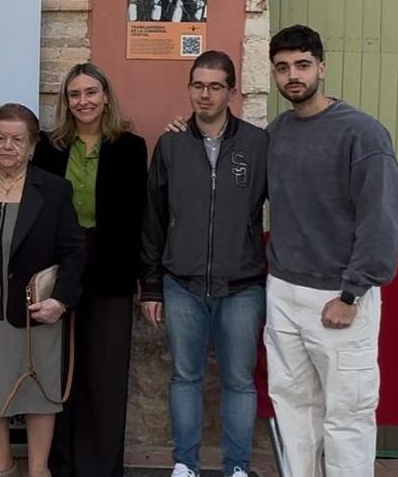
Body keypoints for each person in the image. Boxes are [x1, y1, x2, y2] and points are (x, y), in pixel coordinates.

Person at [264, 25, 398, 477]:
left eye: (302, 65)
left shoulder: (362, 134)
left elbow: (382, 219)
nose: (293, 76)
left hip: (340, 297)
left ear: (322, 68)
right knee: (293, 408)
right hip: (283, 292)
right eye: (283, 68)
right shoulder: (277, 132)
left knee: (348, 414)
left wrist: (351, 294)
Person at [140, 51, 269, 477]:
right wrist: (153, 285)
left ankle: (236, 466)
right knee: (184, 378)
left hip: (243, 286)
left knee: (238, 381)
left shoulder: (256, 143)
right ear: (189, 88)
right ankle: (185, 464)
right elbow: (153, 218)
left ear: (232, 91)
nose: (206, 94)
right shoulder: (172, 144)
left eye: (216, 86)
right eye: (198, 85)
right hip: (182, 284)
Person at [0, 103, 86, 477]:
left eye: (17, 139)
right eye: (0, 138)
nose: (8, 146)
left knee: (40, 392)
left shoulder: (54, 189)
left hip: (37, 311)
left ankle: (39, 469)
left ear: (32, 146)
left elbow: (75, 251)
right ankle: (2, 464)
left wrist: (60, 302)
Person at [38, 63, 146, 477]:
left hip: (111, 270)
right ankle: (61, 463)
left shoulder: (131, 147)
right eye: (74, 94)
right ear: (66, 101)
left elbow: (141, 216)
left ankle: (101, 468)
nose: (83, 101)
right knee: (60, 371)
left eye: (91, 92)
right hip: (59, 269)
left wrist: (142, 277)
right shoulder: (50, 147)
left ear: (106, 96)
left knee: (106, 374)